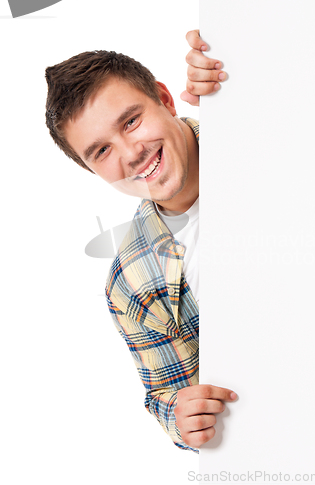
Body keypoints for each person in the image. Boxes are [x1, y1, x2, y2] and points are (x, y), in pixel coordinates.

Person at [45, 30, 237, 453]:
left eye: (131, 121)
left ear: (166, 99)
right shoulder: (131, 281)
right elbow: (167, 394)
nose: (130, 153)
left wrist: (241, 86)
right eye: (101, 151)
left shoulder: (251, 135)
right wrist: (180, 417)